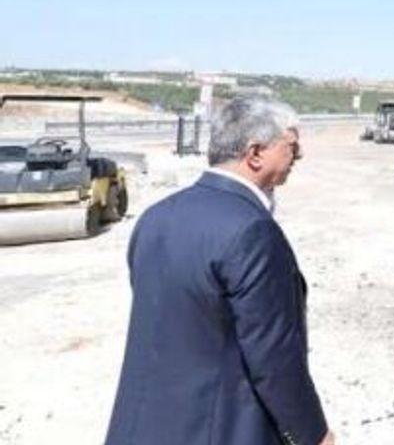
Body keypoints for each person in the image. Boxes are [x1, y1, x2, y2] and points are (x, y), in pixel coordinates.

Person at [105, 95, 333, 445]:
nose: (299, 155)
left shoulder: (156, 217)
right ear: (255, 153)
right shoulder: (252, 231)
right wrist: (313, 434)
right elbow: (274, 356)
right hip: (217, 428)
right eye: (291, 145)